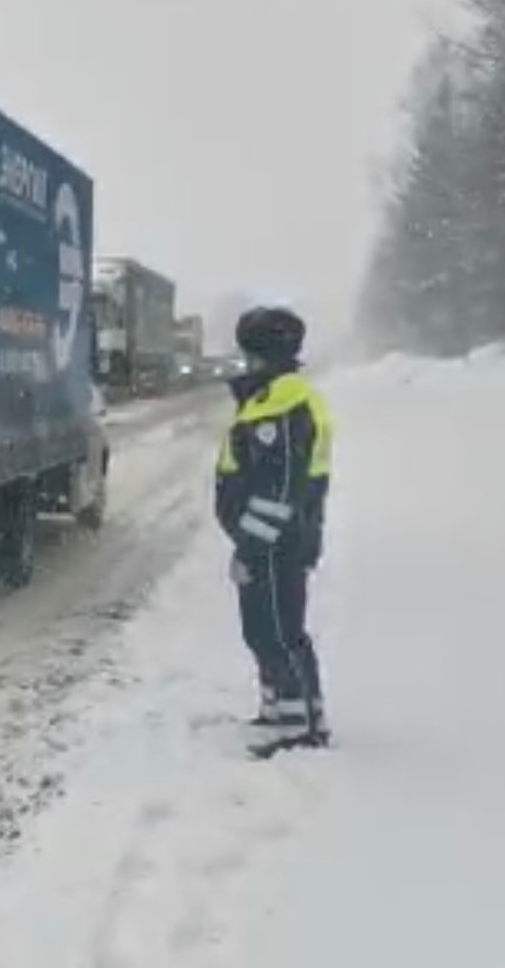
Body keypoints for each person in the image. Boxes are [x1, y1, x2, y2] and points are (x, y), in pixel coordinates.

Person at [214, 305, 334, 750]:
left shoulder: (282, 405)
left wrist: (251, 545)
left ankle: (298, 725)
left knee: (278, 630)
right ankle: (284, 710)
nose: (245, 363)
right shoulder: (275, 399)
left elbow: (278, 489)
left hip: (276, 541)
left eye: (250, 355)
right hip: (279, 538)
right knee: (268, 629)